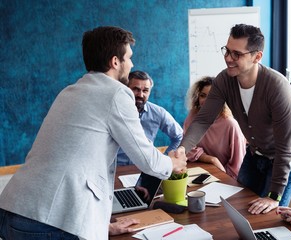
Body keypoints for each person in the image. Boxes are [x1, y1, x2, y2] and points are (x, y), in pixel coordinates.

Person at [0, 26, 187, 240]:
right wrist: (173, 164)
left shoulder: (70, 91)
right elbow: (147, 159)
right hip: (45, 221)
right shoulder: (117, 93)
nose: (132, 64)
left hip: (14, 209)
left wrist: (101, 226)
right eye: (129, 58)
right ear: (115, 62)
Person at [178, 23, 291, 214]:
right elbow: (203, 120)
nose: (228, 58)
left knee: (270, 215)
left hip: (285, 156)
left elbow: (285, 149)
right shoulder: (224, 80)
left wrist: (273, 196)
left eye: (236, 54)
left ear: (257, 56)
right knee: (237, 207)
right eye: (227, 51)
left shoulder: (277, 87)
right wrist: (182, 150)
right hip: (255, 153)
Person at [183, 76, 246, 180]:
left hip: (225, 177)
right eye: (203, 96)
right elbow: (187, 148)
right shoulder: (192, 117)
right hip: (198, 171)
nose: (207, 101)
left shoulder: (230, 125)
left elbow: (237, 165)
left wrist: (222, 178)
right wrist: (211, 159)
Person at [117, 70, 183, 166]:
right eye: (136, 89)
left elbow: (179, 136)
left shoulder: (158, 113)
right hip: (116, 168)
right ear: (126, 89)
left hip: (145, 168)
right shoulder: (113, 110)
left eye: (145, 91)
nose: (140, 95)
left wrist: (165, 159)